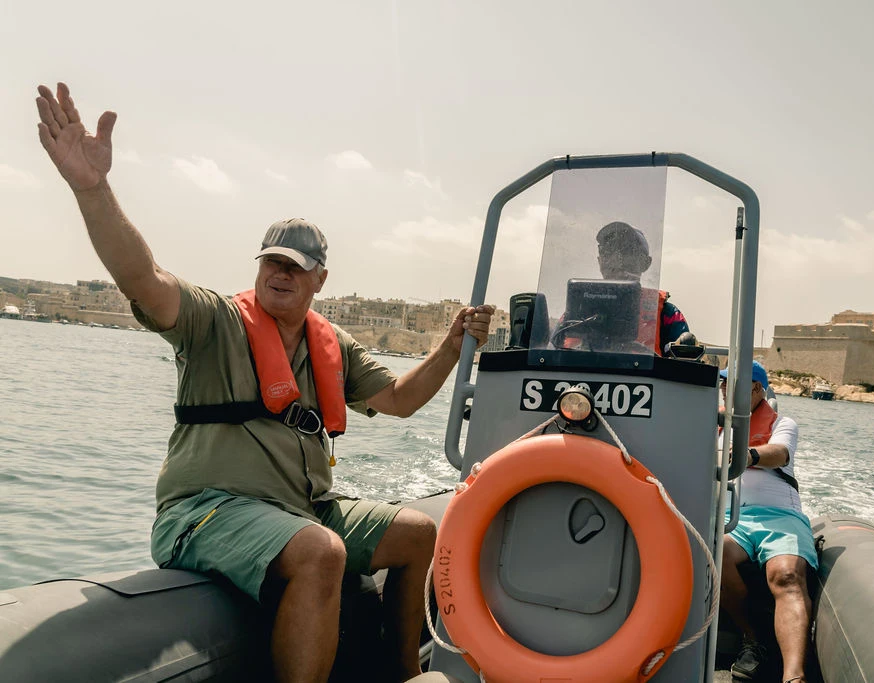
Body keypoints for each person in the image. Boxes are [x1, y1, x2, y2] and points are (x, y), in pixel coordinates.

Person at [35, 82, 494, 683]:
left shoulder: (334, 347)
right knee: (320, 552)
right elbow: (142, 277)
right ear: (258, 265)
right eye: (271, 261)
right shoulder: (215, 321)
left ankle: (403, 674)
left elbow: (402, 401)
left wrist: (453, 345)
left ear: (319, 279)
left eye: (295, 266)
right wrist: (92, 189)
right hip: (205, 512)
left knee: (416, 535)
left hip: (301, 507)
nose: (280, 273)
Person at [719, 361, 815, 683]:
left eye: (730, 384)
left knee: (786, 575)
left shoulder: (783, 424)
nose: (723, 389)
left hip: (781, 517)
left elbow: (780, 452)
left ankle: (794, 677)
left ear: (757, 389)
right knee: (715, 554)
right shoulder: (714, 426)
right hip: (736, 519)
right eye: (721, 384)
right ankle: (751, 639)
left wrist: (748, 456)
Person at [594, 221, 690, 354]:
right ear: (599, 260)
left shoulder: (667, 315)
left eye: (627, 251)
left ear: (645, 263)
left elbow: (684, 362)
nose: (616, 258)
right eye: (608, 251)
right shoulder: (576, 311)